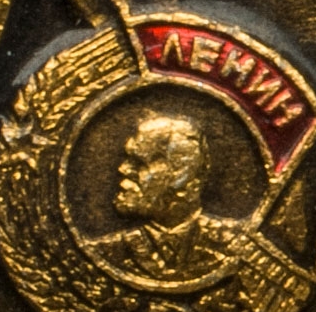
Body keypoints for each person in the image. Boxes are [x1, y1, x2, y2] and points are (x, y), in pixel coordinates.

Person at [92, 111, 252, 287]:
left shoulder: (239, 245)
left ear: (180, 175)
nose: (123, 169)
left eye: (139, 162)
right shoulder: (105, 252)